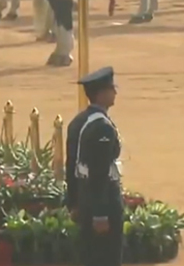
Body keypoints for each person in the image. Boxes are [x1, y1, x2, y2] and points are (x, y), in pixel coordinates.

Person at [65, 66, 123, 266]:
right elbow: (99, 173)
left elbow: (71, 166)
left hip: (84, 199)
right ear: (100, 94)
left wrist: (73, 202)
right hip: (102, 203)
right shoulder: (102, 128)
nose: (115, 92)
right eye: (111, 89)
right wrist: (101, 214)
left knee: (88, 257)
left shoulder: (78, 122)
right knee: (106, 258)